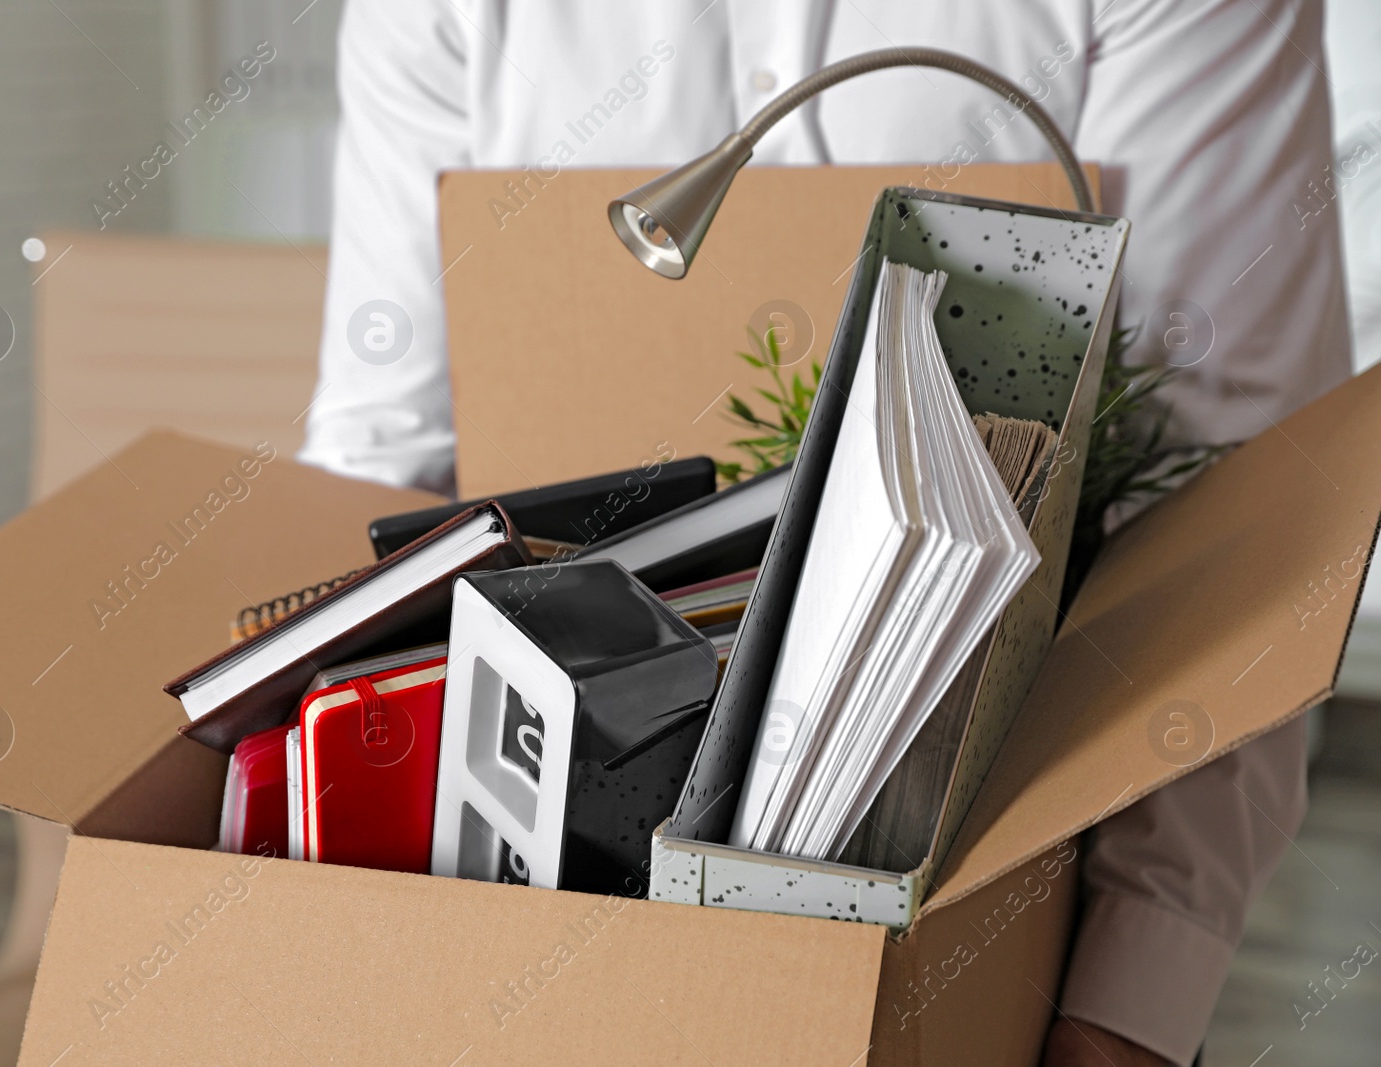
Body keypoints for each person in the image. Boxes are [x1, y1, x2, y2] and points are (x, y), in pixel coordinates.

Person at [299, 3, 1351, 1064]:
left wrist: (1132, 999)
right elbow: (383, 462)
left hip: (999, 928)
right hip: (532, 918)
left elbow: (1229, 504)